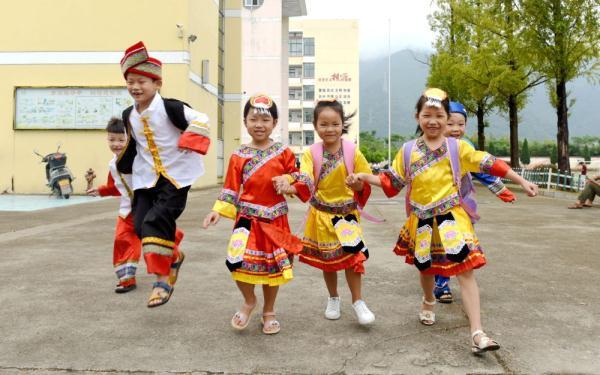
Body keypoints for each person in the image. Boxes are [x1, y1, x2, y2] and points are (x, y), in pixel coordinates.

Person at [351, 88, 538, 353]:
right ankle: (428, 301)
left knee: (466, 272)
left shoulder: (458, 148)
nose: (433, 121)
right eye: (427, 115)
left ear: (446, 117)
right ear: (418, 117)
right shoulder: (406, 151)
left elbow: (488, 163)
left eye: (439, 115)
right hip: (422, 220)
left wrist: (520, 180)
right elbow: (392, 183)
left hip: (453, 220)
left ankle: (477, 333)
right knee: (426, 268)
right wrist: (364, 177)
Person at [117, 41, 211, 308]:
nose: (135, 87)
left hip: (176, 177)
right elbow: (134, 145)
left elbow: (201, 119)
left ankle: (161, 282)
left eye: (142, 81)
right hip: (146, 178)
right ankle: (175, 254)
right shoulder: (128, 115)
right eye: (131, 81)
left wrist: (191, 140)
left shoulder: (171, 108)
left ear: (157, 83)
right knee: (139, 225)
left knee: (155, 221)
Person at [203, 95, 303, 334]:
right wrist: (217, 210)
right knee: (238, 263)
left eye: (265, 119)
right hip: (247, 220)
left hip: (275, 219)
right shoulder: (238, 155)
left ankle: (269, 311)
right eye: (253, 119)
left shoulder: (284, 152)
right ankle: (249, 301)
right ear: (245, 122)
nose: (259, 124)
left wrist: (288, 180)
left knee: (273, 269)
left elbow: (299, 177)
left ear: (275, 122)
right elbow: (230, 187)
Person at [279, 99, 376, 325]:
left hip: (347, 216)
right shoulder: (311, 153)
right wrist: (291, 187)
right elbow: (306, 180)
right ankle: (333, 298)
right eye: (324, 124)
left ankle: (358, 301)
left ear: (342, 125)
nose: (330, 129)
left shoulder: (352, 151)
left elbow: (366, 180)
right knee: (328, 262)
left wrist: (357, 184)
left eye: (335, 124)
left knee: (354, 259)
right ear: (315, 125)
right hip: (321, 216)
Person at [434, 101, 516, 303]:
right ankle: (440, 283)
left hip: (462, 203)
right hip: (434, 205)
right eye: (450, 123)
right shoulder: (428, 145)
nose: (455, 129)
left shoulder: (466, 146)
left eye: (460, 124)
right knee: (440, 244)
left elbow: (483, 168)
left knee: (457, 242)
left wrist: (501, 189)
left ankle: (454, 278)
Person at [87, 117, 141, 293]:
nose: (116, 144)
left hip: (146, 208)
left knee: (158, 241)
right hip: (126, 211)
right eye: (111, 139)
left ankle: (173, 257)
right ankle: (127, 279)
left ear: (129, 139)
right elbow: (114, 188)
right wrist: (99, 191)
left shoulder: (140, 159)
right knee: (121, 240)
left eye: (121, 140)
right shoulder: (113, 165)